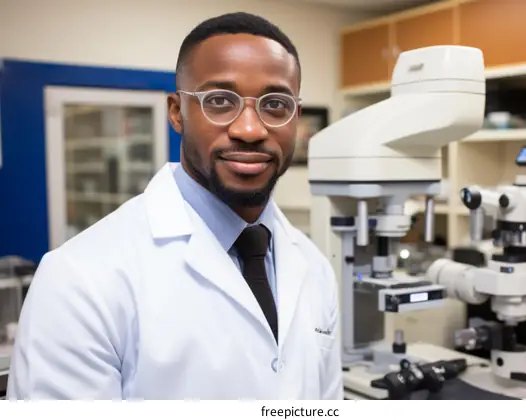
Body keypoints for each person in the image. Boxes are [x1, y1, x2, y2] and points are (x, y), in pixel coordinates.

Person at [7, 12, 342, 400]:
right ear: (176, 112)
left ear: (296, 118)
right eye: (219, 101)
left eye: (276, 104)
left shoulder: (314, 268)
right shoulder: (79, 280)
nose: (250, 130)